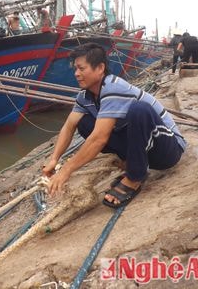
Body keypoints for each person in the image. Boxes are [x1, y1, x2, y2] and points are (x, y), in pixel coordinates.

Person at [43, 43, 186, 208]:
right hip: (146, 147)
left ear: (100, 68)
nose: (76, 74)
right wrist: (54, 159)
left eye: (81, 69)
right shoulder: (85, 97)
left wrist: (66, 170)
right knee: (84, 123)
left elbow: (99, 139)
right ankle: (131, 161)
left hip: (168, 150)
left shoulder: (113, 88)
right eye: (75, 69)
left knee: (139, 110)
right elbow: (69, 126)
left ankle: (135, 176)